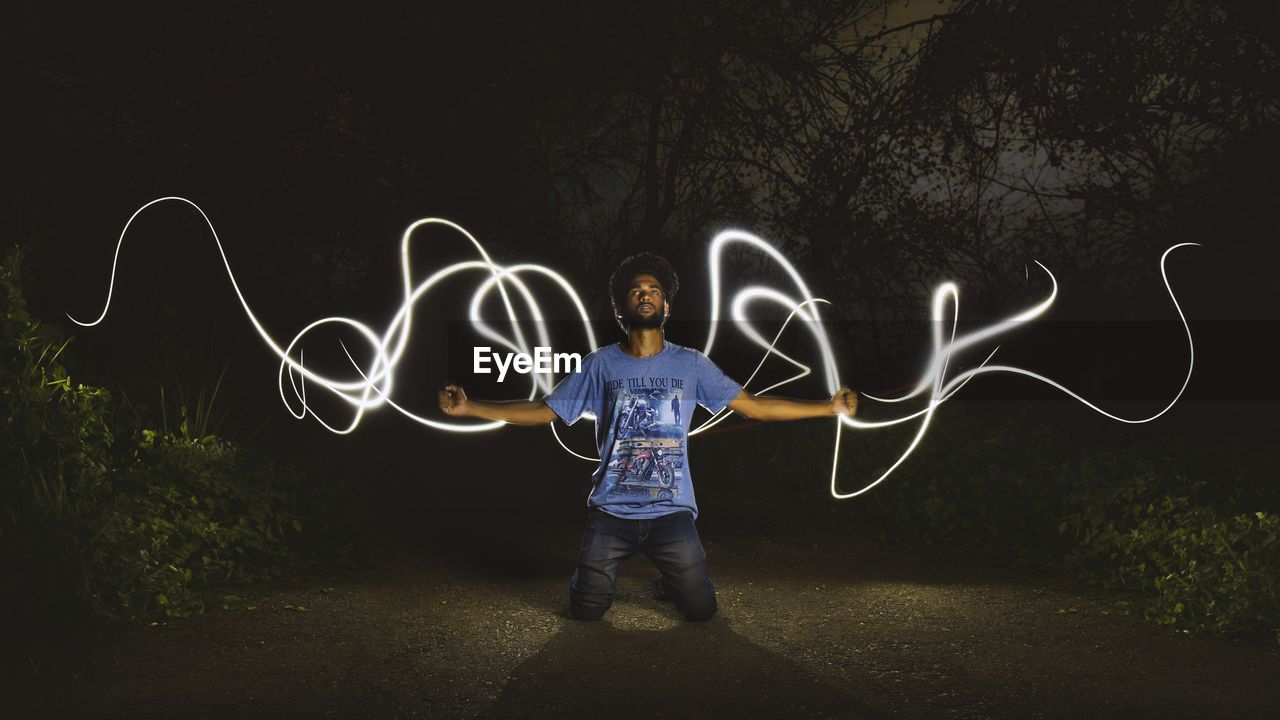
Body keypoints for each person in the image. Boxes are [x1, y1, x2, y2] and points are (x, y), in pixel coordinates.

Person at [438, 253, 857, 622]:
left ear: (666, 305)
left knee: (700, 611)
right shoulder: (600, 364)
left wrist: (828, 406)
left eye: (654, 290)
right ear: (624, 306)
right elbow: (545, 410)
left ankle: (666, 581)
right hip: (611, 512)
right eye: (636, 290)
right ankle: (596, 572)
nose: (645, 295)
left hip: (671, 513)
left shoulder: (692, 365)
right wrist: (471, 407)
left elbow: (755, 406)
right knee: (585, 612)